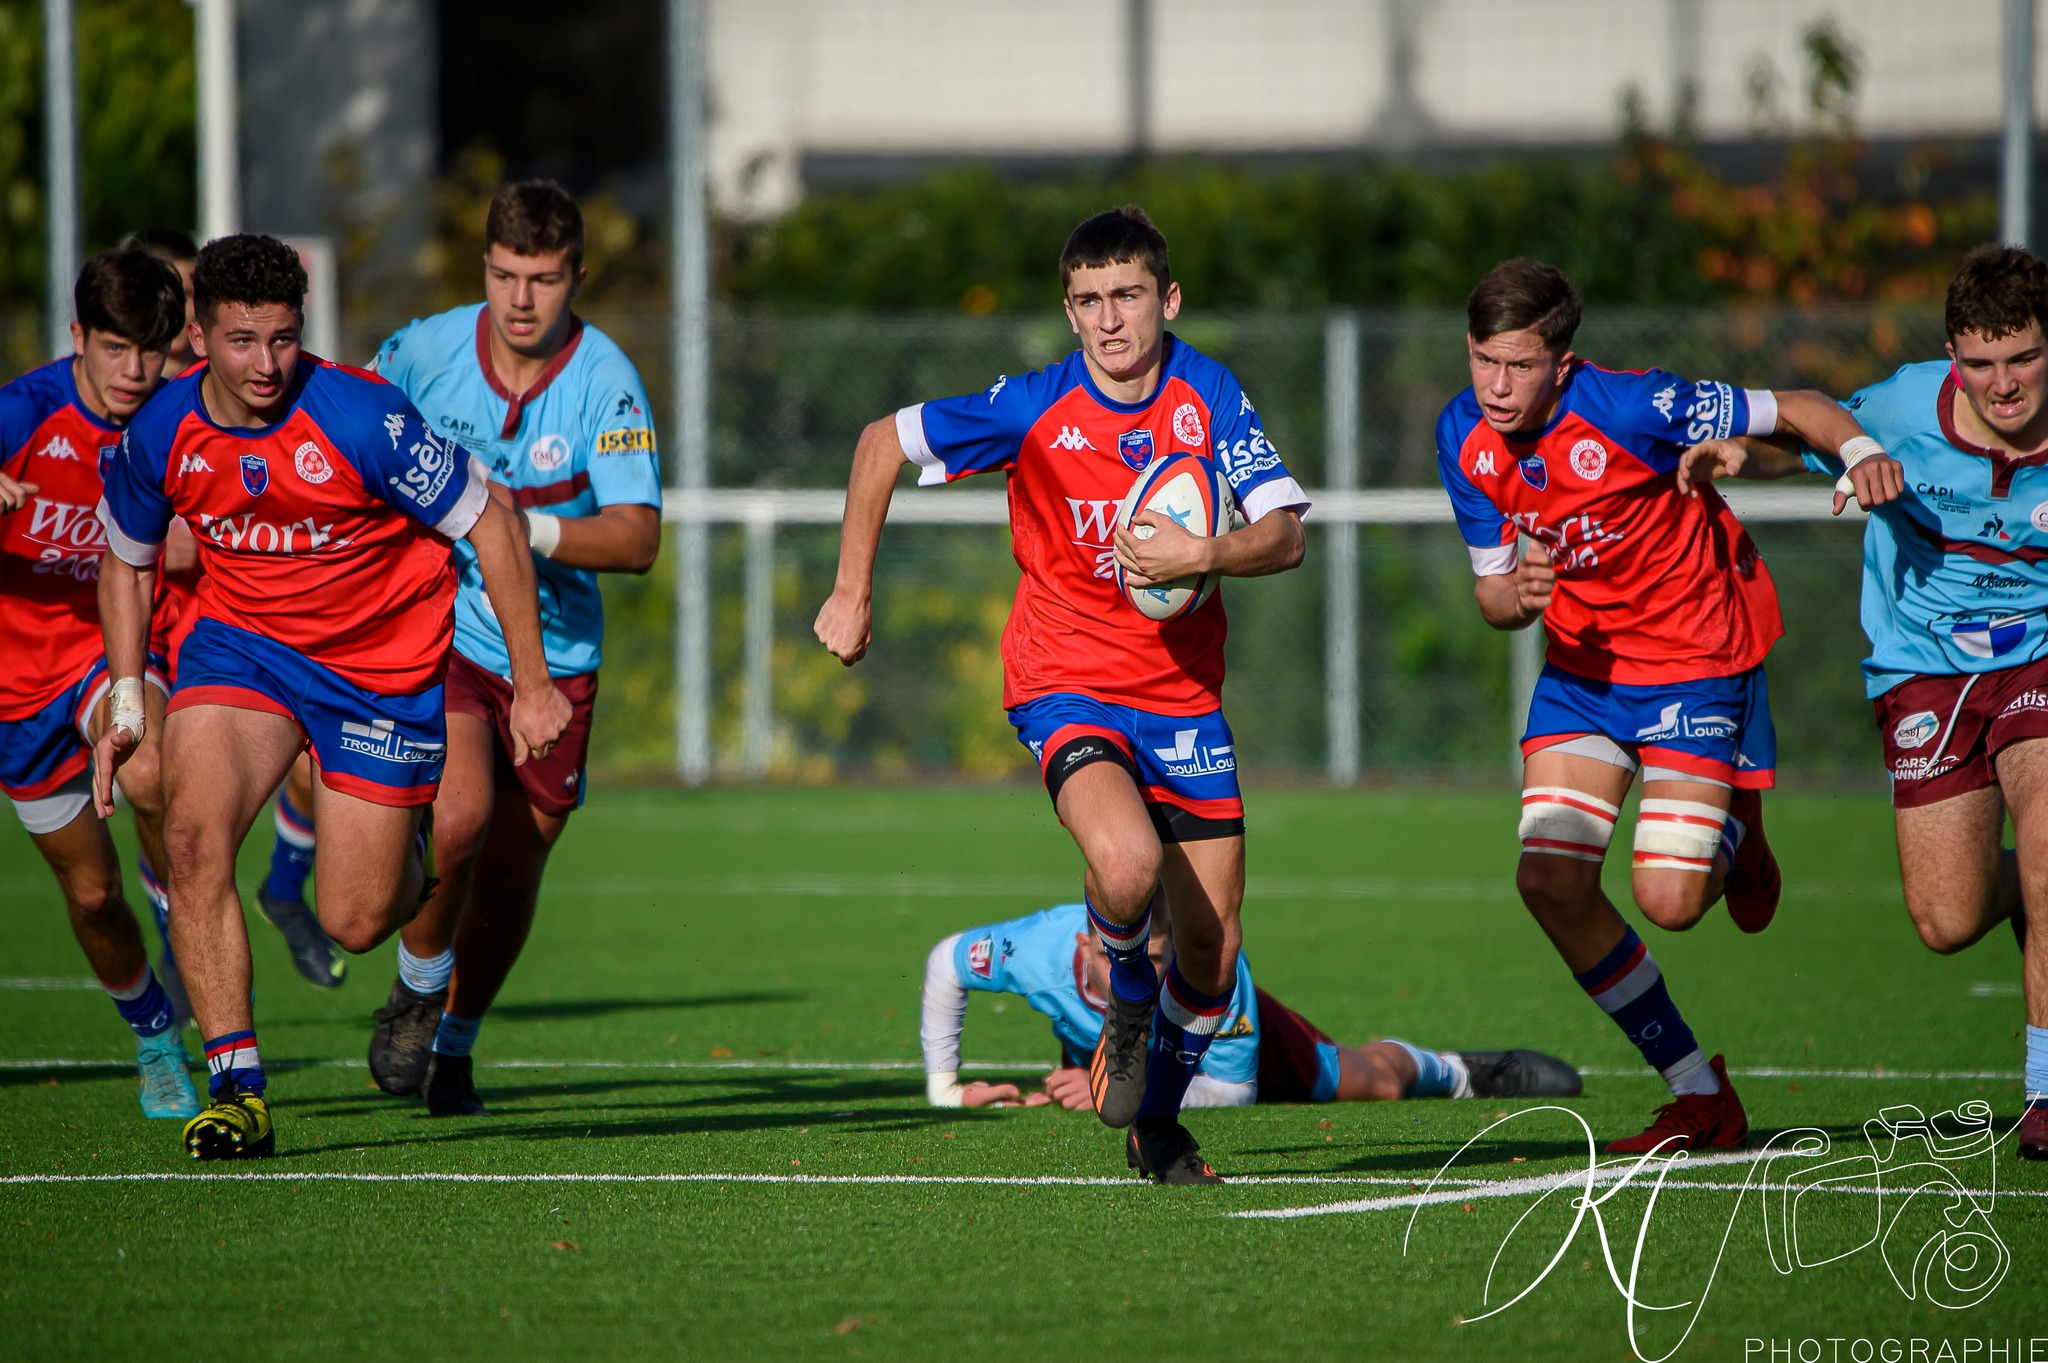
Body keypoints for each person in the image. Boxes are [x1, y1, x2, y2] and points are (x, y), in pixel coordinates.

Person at [815, 205, 1311, 1183]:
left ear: (1166, 300)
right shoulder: (1033, 403)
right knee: (1125, 868)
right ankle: (1126, 992)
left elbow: (1286, 533)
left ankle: (1155, 1125)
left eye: (1127, 296)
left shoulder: (1207, 393)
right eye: (1087, 301)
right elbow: (880, 442)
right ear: (1067, 311)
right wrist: (850, 587)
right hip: (1064, 682)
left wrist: (1200, 552)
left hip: (1181, 698)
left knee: (1211, 958)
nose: (1109, 320)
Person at [94, 232, 570, 1160]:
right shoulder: (161, 429)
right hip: (245, 654)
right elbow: (126, 557)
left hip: (377, 676)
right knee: (192, 839)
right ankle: (239, 1088)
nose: (265, 363)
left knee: (355, 914)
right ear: (197, 334)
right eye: (240, 341)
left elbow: (497, 527)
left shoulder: (361, 418)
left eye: (281, 338)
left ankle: (420, 852)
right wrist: (123, 693)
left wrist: (532, 682)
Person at [1436, 258, 1899, 1153]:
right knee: (1549, 880)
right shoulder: (1464, 436)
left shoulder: (1636, 404)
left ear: (1563, 364)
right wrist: (1523, 594)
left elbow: (1798, 406)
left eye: (1520, 366)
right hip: (1584, 676)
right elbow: (1495, 600)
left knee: (1671, 901)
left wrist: (1863, 452)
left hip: (1694, 658)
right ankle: (1699, 1090)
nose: (1497, 386)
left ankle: (1737, 822)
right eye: (1484, 361)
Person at [1683, 243, 2047, 1160]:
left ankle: (2044, 1092)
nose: (2003, 385)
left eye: (2024, 357)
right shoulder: (1897, 409)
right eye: (1981, 363)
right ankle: (2026, 896)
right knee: (1947, 920)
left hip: (2040, 657)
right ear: (1954, 359)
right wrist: (1737, 454)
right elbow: (1798, 439)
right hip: (1924, 670)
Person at [352, 181, 662, 1117]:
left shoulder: (605, 379)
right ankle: (415, 981)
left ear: (575, 276)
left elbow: (638, 537)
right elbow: (347, 439)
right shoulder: (420, 352)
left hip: (557, 657)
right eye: (503, 275)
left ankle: (455, 1038)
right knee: (462, 813)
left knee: (515, 870)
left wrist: (521, 530)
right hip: (438, 630)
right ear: (483, 266)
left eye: (542, 279)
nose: (520, 299)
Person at [0, 249, 197, 1118]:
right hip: (13, 693)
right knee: (89, 892)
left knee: (151, 765)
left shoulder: (170, 418)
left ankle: (188, 908)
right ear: (77, 337)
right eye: (115, 348)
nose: (133, 371)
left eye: (150, 350)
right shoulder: (22, 412)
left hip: (103, 651)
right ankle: (155, 1032)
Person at [127, 227, 348, 1002]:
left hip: (237, 622)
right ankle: (175, 935)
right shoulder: (140, 404)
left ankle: (284, 887)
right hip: (160, 629)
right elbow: (124, 536)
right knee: (153, 782)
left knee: (317, 766)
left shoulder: (252, 391)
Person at [921, 903, 1582, 1116]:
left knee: (1366, 1080)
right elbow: (945, 960)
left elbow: (1233, 1093)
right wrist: (946, 1087)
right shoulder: (1034, 951)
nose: (1139, 976)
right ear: (1083, 942)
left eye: (1156, 959)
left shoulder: (1213, 971)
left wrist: (1119, 1089)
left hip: (1218, 1048)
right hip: (1117, 1058)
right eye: (1115, 957)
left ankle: (1456, 1070)